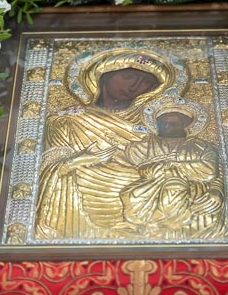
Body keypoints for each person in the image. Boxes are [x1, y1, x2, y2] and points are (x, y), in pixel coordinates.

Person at [34, 48, 178, 240]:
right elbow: (50, 168)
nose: (135, 86)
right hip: (82, 200)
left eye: (146, 82)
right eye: (128, 76)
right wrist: (81, 160)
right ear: (103, 75)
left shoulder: (154, 126)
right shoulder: (67, 120)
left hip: (139, 203)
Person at [117, 101, 226, 240]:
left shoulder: (201, 146)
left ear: (185, 125)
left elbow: (211, 170)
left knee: (174, 191)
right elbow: (142, 168)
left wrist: (173, 166)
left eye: (174, 123)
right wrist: (154, 170)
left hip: (191, 186)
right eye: (164, 123)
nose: (168, 126)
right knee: (132, 195)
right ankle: (149, 232)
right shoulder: (145, 145)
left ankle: (173, 233)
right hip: (152, 185)